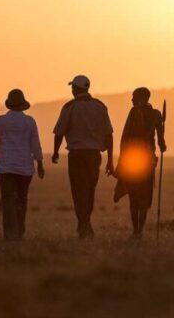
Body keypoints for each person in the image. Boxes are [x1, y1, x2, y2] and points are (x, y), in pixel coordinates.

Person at [52, 75, 114, 239]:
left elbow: (59, 133)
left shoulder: (69, 107)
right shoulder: (100, 107)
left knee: (78, 191)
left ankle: (83, 225)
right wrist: (110, 160)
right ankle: (85, 225)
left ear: (75, 89)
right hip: (94, 156)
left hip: (77, 155)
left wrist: (56, 152)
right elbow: (109, 135)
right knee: (89, 191)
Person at [114, 87, 166, 240]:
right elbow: (162, 142)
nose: (131, 100)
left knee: (134, 197)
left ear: (140, 98)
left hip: (133, 162)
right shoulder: (156, 115)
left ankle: (136, 230)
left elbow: (125, 138)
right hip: (148, 161)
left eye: (133, 97)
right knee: (145, 196)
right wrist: (162, 146)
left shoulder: (134, 112)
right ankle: (140, 231)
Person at [0, 89, 45, 240]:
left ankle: (9, 234)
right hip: (25, 168)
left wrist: (2, 157)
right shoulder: (29, 121)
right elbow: (35, 144)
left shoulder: (0, 121)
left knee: (8, 201)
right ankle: (20, 231)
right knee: (22, 199)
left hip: (6, 167)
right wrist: (40, 164)